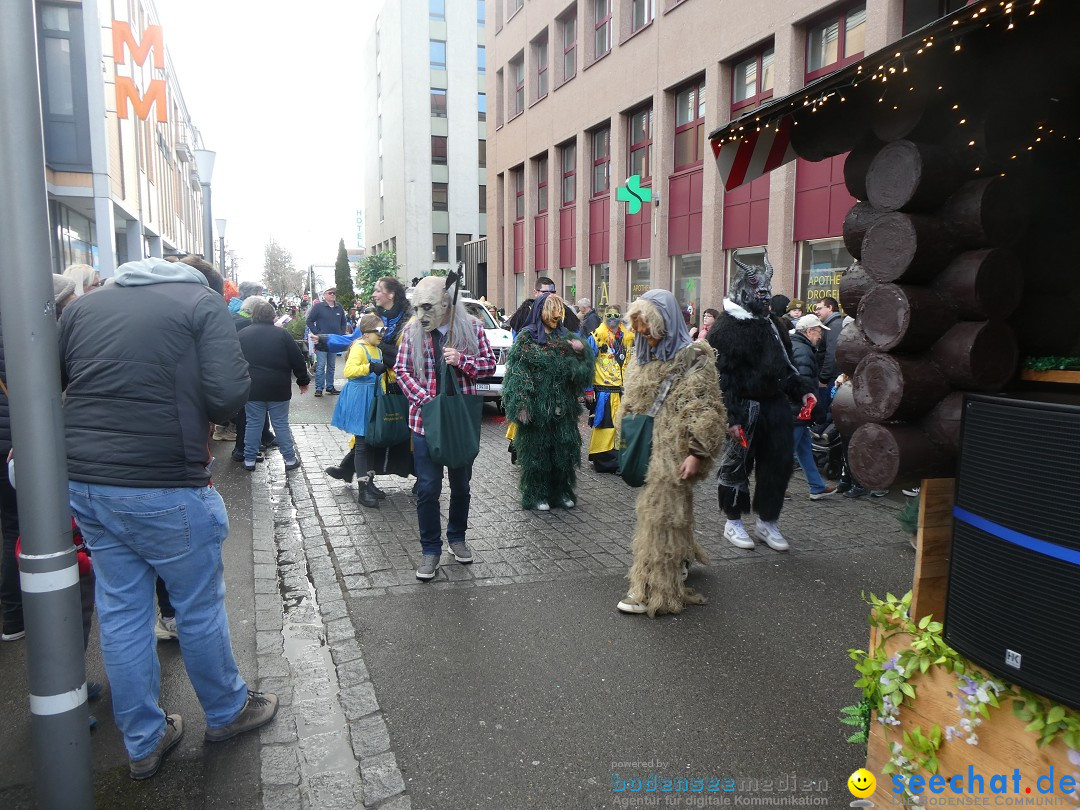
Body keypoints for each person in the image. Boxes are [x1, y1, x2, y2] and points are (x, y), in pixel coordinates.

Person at [60, 257, 277, 780]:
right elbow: (228, 397)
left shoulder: (83, 307)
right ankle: (226, 711)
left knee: (121, 610)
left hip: (89, 484)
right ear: (202, 284)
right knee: (198, 604)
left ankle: (144, 739)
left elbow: (55, 381)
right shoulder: (201, 305)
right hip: (164, 482)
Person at [615, 290, 727, 616]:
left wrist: (697, 452)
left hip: (673, 453)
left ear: (665, 322)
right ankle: (680, 558)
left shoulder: (693, 358)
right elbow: (634, 400)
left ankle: (652, 590)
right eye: (638, 329)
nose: (644, 335)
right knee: (674, 512)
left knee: (659, 516)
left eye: (648, 327)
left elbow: (706, 409)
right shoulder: (641, 356)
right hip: (647, 448)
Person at [708, 251, 814, 553]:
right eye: (756, 286)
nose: (763, 292)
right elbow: (721, 377)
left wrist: (802, 391)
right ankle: (734, 521)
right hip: (744, 408)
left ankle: (768, 522)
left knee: (778, 466)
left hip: (775, 407)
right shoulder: (726, 329)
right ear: (743, 289)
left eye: (765, 285)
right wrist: (731, 417)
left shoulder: (776, 325)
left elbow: (786, 367)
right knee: (737, 465)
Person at [393, 277, 495, 581]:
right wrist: (425, 401)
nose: (420, 315)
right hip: (424, 422)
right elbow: (402, 370)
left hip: (459, 423)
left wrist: (461, 360)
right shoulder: (413, 332)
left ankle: (457, 538)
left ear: (447, 304)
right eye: (416, 308)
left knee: (461, 485)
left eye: (428, 307)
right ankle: (430, 550)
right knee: (428, 488)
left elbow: (489, 366)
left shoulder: (472, 328)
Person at [502, 293, 594, 511]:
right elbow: (516, 373)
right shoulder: (527, 338)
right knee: (537, 453)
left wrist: (581, 354)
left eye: (558, 310)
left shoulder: (568, 339)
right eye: (551, 309)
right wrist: (521, 404)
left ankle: (562, 491)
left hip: (563, 408)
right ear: (540, 311)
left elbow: (581, 375)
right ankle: (537, 493)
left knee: (564, 451)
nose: (555, 315)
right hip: (537, 409)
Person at [324, 275, 414, 487]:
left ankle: (425, 477)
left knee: (402, 432)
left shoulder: (410, 320)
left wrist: (378, 350)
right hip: (378, 386)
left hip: (403, 384)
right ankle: (350, 470)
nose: (373, 294)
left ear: (391, 294)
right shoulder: (372, 318)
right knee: (371, 432)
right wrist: (327, 341)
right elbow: (355, 341)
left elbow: (406, 355)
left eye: (377, 289)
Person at [238, 300, 310, 472]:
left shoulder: (242, 334)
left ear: (253, 315)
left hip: (252, 387)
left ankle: (249, 460)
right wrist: (303, 380)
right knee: (281, 424)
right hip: (279, 387)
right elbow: (297, 358)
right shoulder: (282, 335)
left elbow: (233, 361)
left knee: (253, 423)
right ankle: (290, 460)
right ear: (272, 315)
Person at [329, 314, 387, 508]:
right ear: (366, 332)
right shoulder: (359, 347)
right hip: (360, 399)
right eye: (379, 331)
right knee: (362, 444)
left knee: (370, 443)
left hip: (372, 399)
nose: (382, 335)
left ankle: (369, 483)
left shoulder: (376, 349)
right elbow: (349, 371)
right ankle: (363, 490)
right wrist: (369, 367)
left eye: (383, 331)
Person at [790, 314, 837, 500]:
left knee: (803, 448)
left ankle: (816, 486)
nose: (820, 337)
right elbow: (803, 383)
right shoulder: (804, 349)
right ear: (809, 331)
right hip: (799, 409)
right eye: (818, 333)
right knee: (788, 451)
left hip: (797, 408)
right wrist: (812, 407)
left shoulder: (796, 345)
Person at [585, 307, 634, 473]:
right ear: (603, 317)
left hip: (623, 393)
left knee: (622, 427)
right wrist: (588, 390)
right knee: (605, 427)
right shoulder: (596, 337)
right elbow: (587, 365)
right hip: (604, 393)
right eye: (609, 315)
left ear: (620, 317)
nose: (612, 318)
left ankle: (621, 459)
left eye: (616, 315)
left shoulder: (628, 339)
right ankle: (604, 461)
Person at [306, 285, 348, 396]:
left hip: (334, 341)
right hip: (322, 341)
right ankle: (319, 388)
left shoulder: (339, 307)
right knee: (320, 365)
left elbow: (343, 321)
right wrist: (317, 333)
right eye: (330, 293)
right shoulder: (318, 307)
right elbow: (309, 321)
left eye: (334, 293)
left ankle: (330, 387)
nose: (333, 295)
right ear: (324, 295)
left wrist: (341, 334)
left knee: (332, 365)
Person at [814, 296, 844, 418]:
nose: (816, 311)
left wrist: (823, 378)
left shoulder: (834, 326)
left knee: (828, 412)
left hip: (831, 378)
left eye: (819, 308)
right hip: (831, 377)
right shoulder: (831, 324)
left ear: (830, 308)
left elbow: (832, 354)